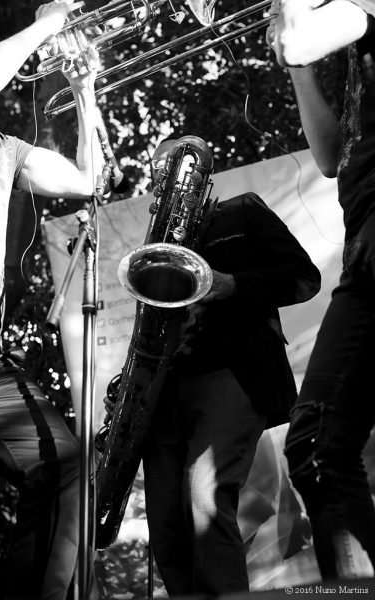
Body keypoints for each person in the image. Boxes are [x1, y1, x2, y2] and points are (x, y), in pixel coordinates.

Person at [139, 136, 321, 595]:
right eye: (157, 172)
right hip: (163, 388)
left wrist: (232, 284)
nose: (163, 178)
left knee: (204, 496)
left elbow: (305, 278)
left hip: (231, 372)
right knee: (165, 526)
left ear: (199, 178)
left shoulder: (242, 212)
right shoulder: (155, 246)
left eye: (173, 169)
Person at [0, 2, 104, 599]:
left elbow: (87, 181)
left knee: (66, 464)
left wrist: (84, 90)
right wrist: (50, 22)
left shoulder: (0, 148)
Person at [267, 0, 375, 581]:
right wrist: (299, 69)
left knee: (318, 443)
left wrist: (294, 30)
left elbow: (301, 38)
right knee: (317, 445)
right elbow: (333, 158)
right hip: (362, 240)